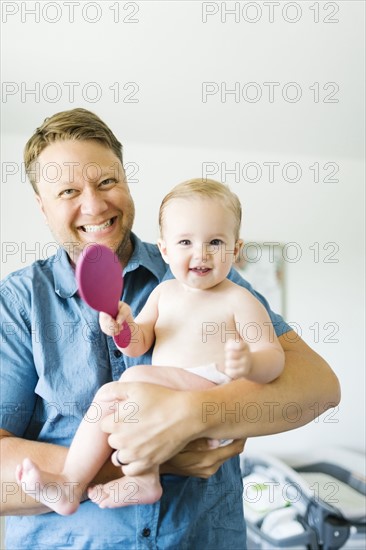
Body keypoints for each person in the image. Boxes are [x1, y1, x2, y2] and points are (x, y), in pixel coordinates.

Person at [0, 108, 340, 550]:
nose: (95, 205)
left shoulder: (200, 272)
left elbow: (318, 386)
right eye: (68, 191)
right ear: (42, 206)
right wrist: (155, 456)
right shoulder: (18, 301)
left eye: (107, 182)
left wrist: (196, 416)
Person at [15, 179, 285, 514]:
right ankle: (82, 482)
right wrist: (121, 325)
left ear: (235, 249)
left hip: (212, 400)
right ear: (165, 249)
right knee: (113, 404)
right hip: (165, 397)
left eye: (215, 242)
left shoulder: (238, 299)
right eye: (185, 241)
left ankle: (103, 480)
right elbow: (136, 342)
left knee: (129, 383)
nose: (200, 253)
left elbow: (274, 359)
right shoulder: (164, 293)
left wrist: (249, 364)